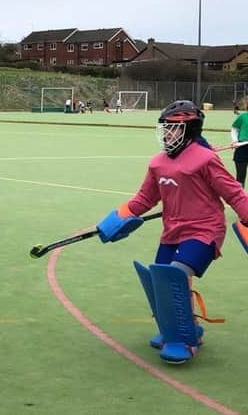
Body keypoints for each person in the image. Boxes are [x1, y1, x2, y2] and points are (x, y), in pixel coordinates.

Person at [96, 100, 248, 364]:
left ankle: (185, 341)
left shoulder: (206, 159)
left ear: (188, 130)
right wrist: (115, 220)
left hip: (205, 230)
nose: (166, 134)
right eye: (165, 128)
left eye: (172, 128)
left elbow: (234, 193)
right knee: (158, 278)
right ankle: (176, 328)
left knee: (174, 274)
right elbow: (143, 199)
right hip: (172, 232)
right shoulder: (158, 163)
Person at [230, 104, 248, 187]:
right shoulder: (243, 117)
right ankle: (240, 198)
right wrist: (235, 141)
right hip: (242, 148)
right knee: (240, 176)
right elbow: (234, 128)